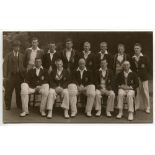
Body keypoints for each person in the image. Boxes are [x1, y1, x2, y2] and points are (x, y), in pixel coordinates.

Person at [3, 40, 26, 110]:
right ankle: (7, 105)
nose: (17, 48)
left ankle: (19, 105)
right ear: (13, 47)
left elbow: (24, 66)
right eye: (16, 46)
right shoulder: (8, 55)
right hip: (11, 76)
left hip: (19, 76)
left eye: (18, 46)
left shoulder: (22, 55)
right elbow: (4, 66)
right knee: (8, 91)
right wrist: (5, 76)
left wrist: (24, 73)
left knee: (19, 91)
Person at [130, 43, 150, 113]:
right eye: (135, 48)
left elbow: (148, 68)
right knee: (137, 92)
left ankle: (147, 107)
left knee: (145, 92)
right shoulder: (132, 58)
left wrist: (145, 75)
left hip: (144, 78)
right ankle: (137, 106)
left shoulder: (145, 57)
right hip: (136, 78)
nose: (136, 50)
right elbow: (132, 69)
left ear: (140, 49)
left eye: (137, 48)